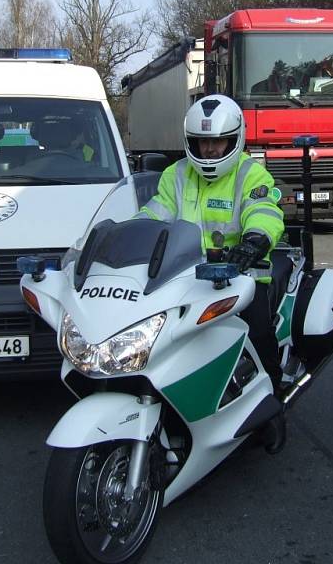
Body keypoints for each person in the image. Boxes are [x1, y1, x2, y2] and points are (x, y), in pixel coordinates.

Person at [137, 95, 287, 451]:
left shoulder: (251, 173)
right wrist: (127, 235)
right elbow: (153, 213)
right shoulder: (176, 175)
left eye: (217, 142)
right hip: (184, 279)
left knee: (259, 336)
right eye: (201, 142)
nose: (208, 151)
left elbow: (265, 210)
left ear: (234, 139)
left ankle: (271, 408)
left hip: (242, 276)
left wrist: (254, 241)